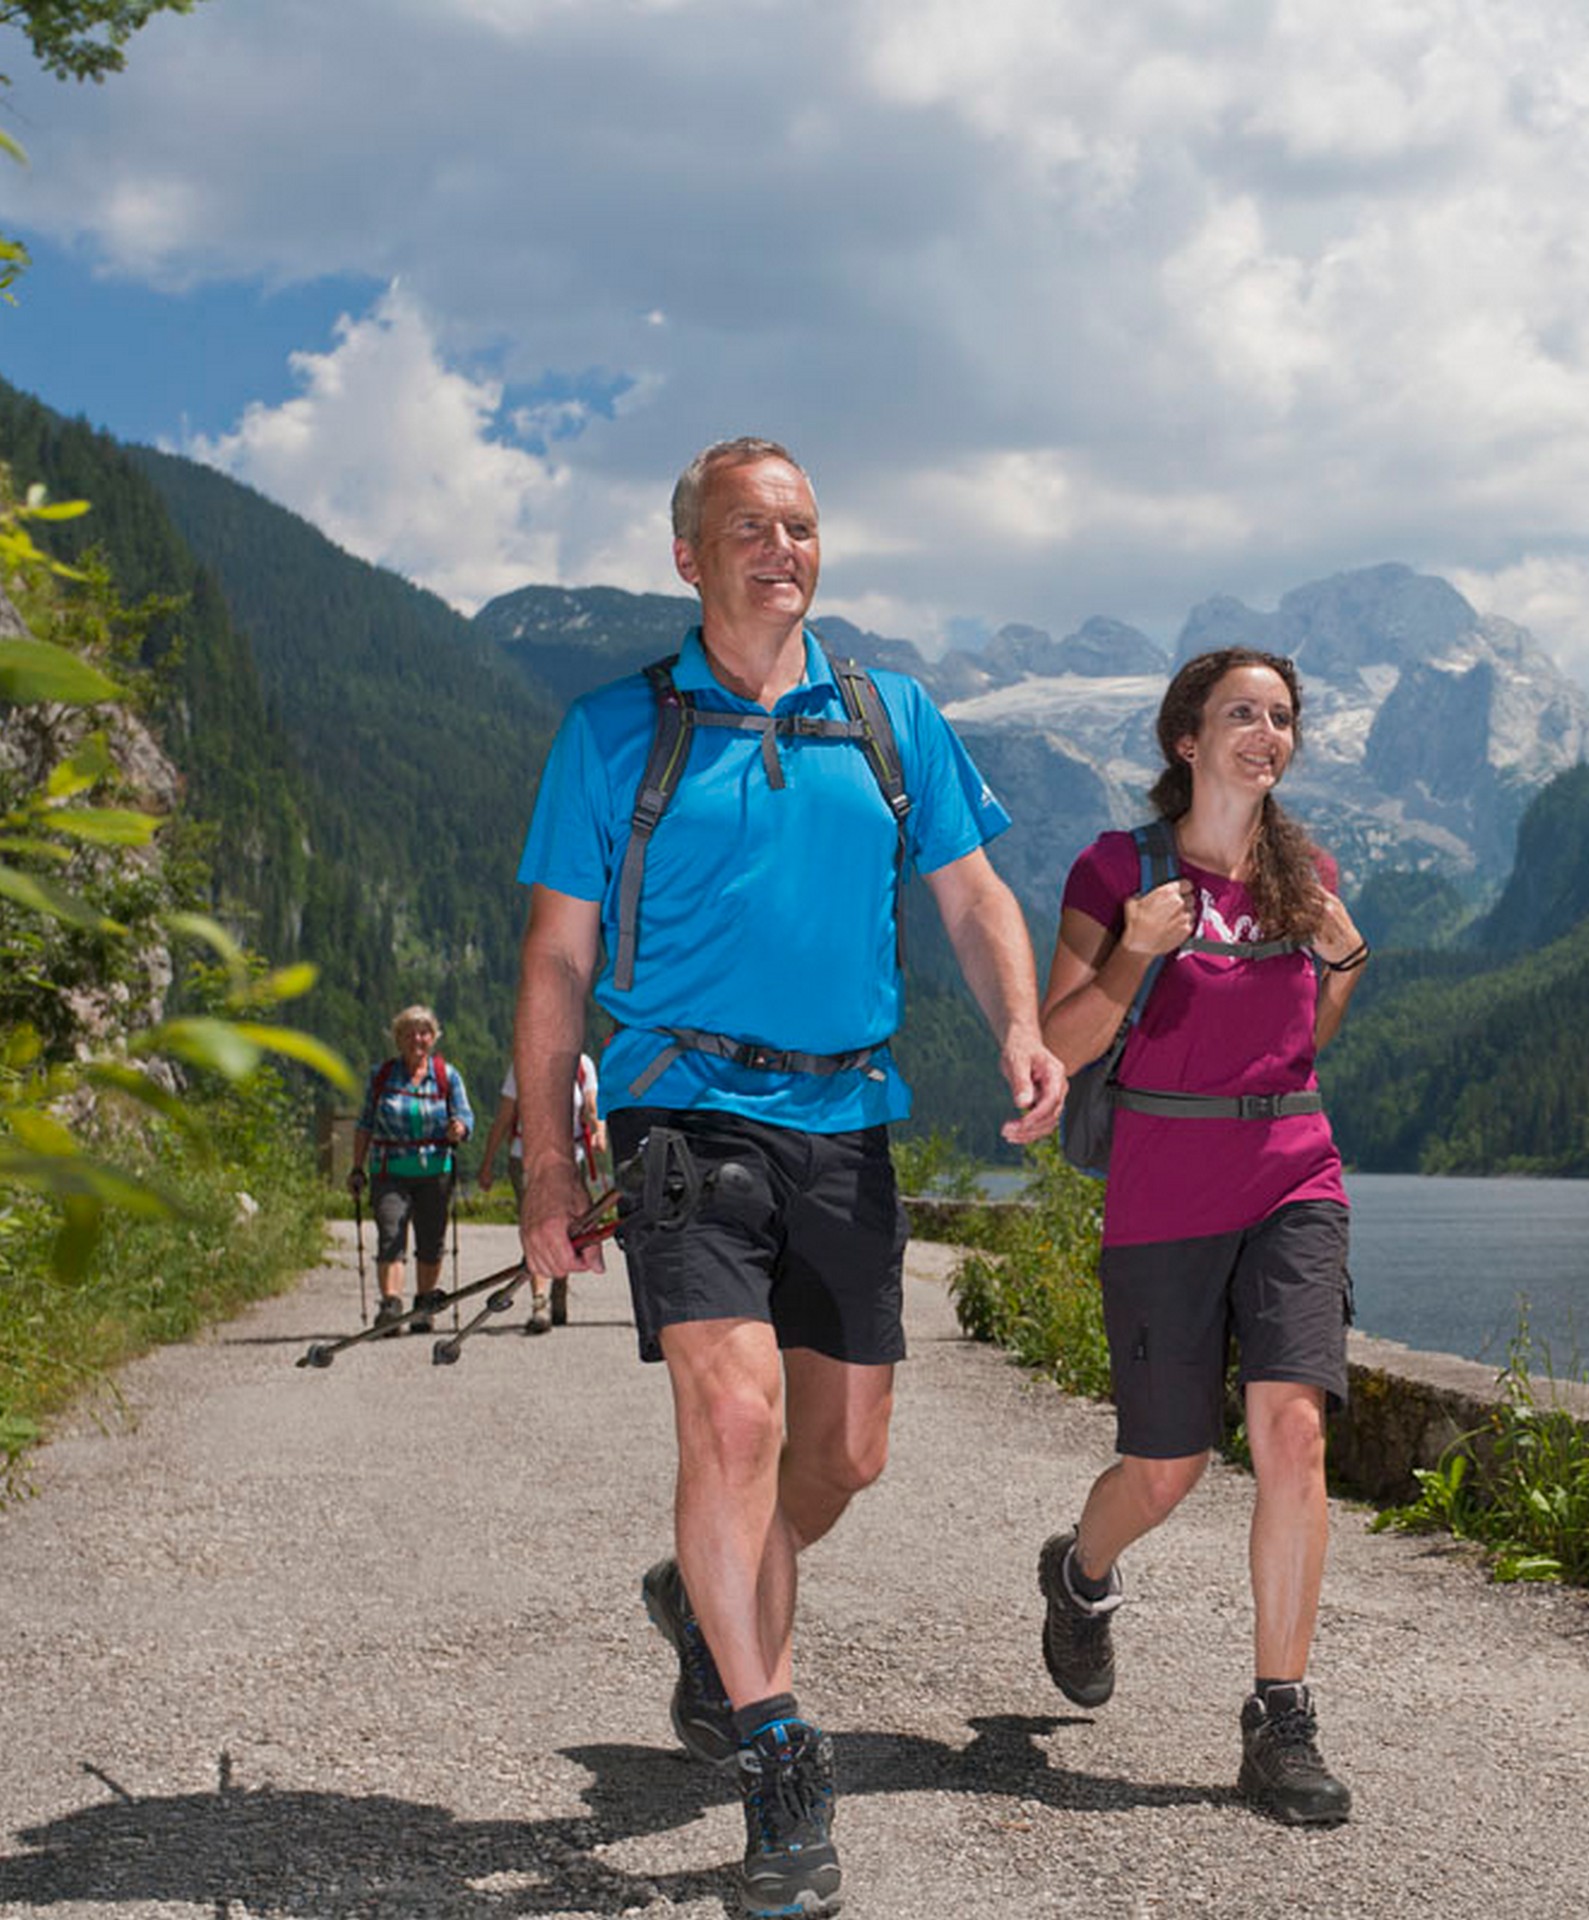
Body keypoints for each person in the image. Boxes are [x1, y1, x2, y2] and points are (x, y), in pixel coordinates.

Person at [510, 436, 1063, 1920]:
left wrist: (1019, 1019)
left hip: (849, 1119)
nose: (783, 547)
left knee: (845, 1456)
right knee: (735, 1419)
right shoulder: (614, 732)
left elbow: (971, 892)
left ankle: (700, 1595)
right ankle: (777, 1764)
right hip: (681, 1108)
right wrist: (551, 1161)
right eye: (750, 526)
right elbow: (557, 957)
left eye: (803, 525)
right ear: (688, 555)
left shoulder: (891, 721)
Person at [1032, 646, 1370, 1825]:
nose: (1265, 733)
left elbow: (1304, 1034)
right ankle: (1078, 1575)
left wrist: (1345, 964)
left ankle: (1280, 1716)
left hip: (1293, 1172)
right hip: (1164, 1192)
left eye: (1281, 717)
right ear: (1187, 738)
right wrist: (1135, 947)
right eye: (1241, 713)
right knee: (1167, 1469)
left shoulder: (1305, 872)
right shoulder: (1113, 869)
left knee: (1291, 1432)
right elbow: (1059, 1044)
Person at [350, 1005, 475, 1333]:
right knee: (390, 1235)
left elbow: (465, 1116)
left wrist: (458, 1129)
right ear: (398, 1038)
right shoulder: (382, 1076)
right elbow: (365, 1124)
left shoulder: (447, 1075)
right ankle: (391, 1306)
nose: (416, 1039)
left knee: (431, 1241)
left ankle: (424, 1305)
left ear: (433, 1038)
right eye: (409, 1033)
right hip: (389, 1171)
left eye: (423, 1032)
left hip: (435, 1171)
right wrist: (356, 1167)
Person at [477, 1049, 606, 1332]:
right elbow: (504, 1116)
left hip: (573, 1158)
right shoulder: (522, 1062)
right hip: (526, 1158)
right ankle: (540, 1302)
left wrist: (597, 1129)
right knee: (539, 1224)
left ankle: (558, 1292)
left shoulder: (583, 1065)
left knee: (571, 1230)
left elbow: (592, 1105)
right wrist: (487, 1163)